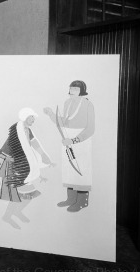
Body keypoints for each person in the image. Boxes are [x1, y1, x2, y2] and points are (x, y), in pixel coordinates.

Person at [0, 108, 54, 229]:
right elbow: (11, 148)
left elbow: (34, 144)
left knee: (28, 192)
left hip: (20, 164)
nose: (33, 120)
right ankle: (7, 216)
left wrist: (44, 156)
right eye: (32, 118)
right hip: (10, 162)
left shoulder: (27, 130)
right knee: (16, 193)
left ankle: (15, 212)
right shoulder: (17, 130)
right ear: (26, 117)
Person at [43, 80, 95, 212]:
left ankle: (82, 201)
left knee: (80, 169)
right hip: (67, 140)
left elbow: (90, 129)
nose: (72, 91)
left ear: (82, 90)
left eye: (76, 89)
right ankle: (71, 199)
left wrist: (75, 140)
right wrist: (50, 114)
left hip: (81, 141)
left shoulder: (88, 105)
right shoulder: (67, 103)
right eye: (71, 89)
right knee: (69, 169)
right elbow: (63, 122)